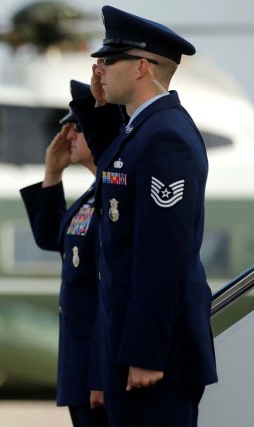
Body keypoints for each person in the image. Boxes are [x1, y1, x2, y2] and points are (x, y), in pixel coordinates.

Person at [69, 6, 218, 426]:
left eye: (108, 59)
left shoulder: (165, 135)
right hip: (128, 348)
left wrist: (147, 354)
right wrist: (95, 101)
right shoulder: (140, 131)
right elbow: (112, 162)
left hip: (156, 360)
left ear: (140, 67)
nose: (98, 67)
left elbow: (164, 255)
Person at [20, 80, 108, 427]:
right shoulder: (92, 196)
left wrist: (101, 375)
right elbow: (53, 238)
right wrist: (52, 173)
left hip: (99, 368)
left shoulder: (113, 197)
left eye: (78, 128)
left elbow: (109, 292)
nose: (68, 136)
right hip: (81, 365)